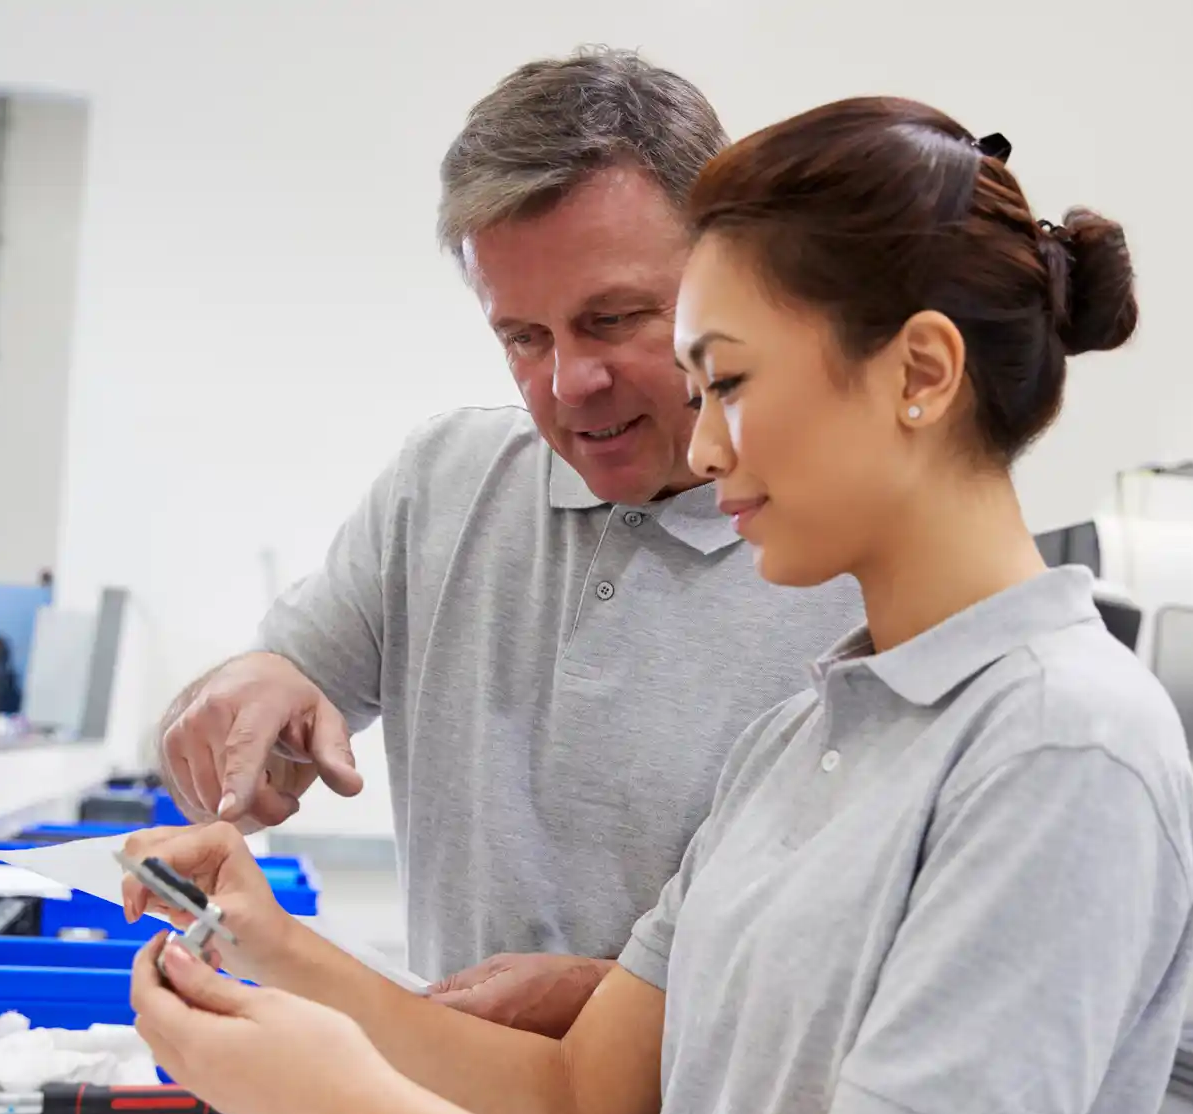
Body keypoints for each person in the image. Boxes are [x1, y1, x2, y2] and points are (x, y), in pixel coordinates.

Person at [127, 97, 1193, 1114]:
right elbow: (572, 1099)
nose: (701, 441)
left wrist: (349, 1101)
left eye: (729, 382)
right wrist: (271, 947)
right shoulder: (802, 736)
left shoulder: (1065, 748)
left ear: (922, 374)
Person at [154, 49, 859, 1037]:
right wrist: (244, 697)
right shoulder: (443, 483)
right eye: (522, 337)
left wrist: (628, 1000)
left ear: (732, 276)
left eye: (612, 321)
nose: (569, 382)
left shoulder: (848, 561)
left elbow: (865, 963)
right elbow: (280, 677)